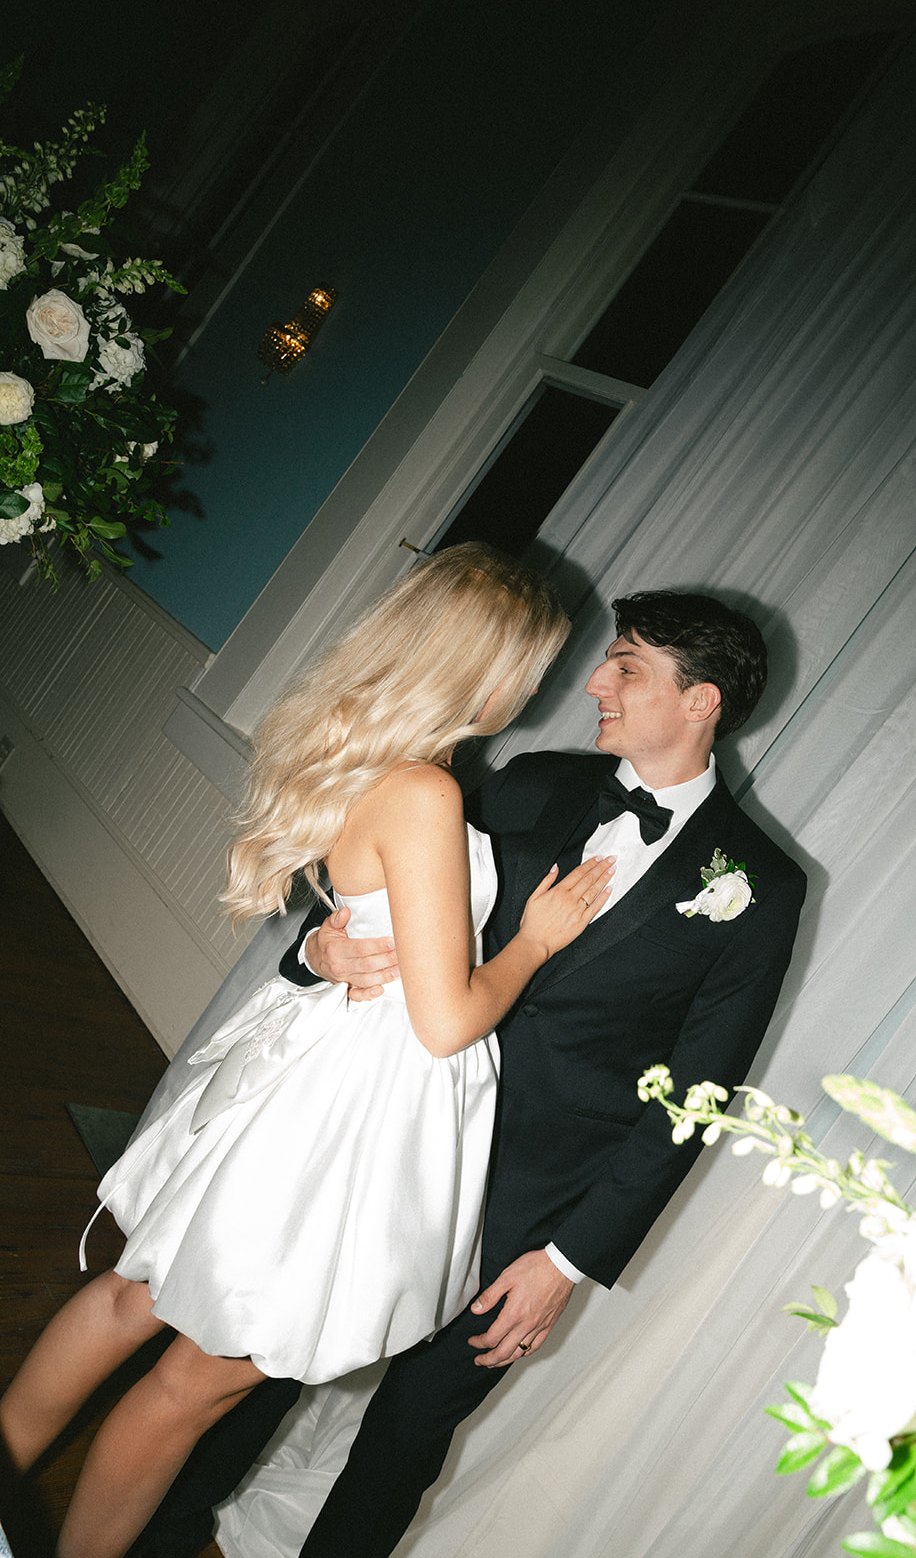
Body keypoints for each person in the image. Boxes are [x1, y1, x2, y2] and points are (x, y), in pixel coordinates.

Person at [130, 586, 808, 1558]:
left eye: (627, 666)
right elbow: (355, 888)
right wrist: (311, 957)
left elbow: (695, 1095)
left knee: (403, 1436)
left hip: (527, 1207)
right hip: (384, 1134)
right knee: (256, 1361)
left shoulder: (760, 887)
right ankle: (158, 1532)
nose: (594, 681)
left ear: (700, 701)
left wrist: (567, 1261)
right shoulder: (530, 781)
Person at [0, 543, 615, 1558]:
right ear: (484, 666)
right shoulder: (423, 791)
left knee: (129, 1297)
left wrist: (328, 950)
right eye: (533, 661)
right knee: (198, 1379)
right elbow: (448, 1020)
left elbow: (363, 929)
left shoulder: (376, 761)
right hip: (351, 1113)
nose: (537, 684)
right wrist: (534, 943)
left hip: (312, 1073)